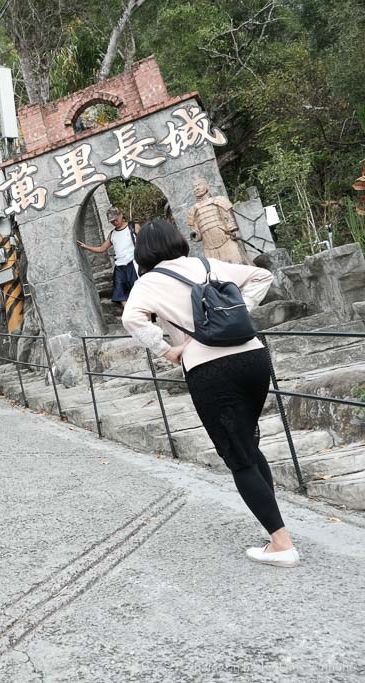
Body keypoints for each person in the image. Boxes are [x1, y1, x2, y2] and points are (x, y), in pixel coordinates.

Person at [122, 219, 299, 568]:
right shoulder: (207, 264)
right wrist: (232, 315)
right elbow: (260, 276)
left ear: (143, 251)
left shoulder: (149, 283)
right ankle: (273, 527)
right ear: (176, 241)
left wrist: (167, 350)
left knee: (238, 455)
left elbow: (132, 319)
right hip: (253, 357)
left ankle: (282, 544)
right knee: (247, 443)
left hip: (209, 368)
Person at [77, 206, 141, 306]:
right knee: (120, 294)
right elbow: (102, 248)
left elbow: (145, 240)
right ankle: (129, 314)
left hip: (134, 263)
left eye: (116, 219)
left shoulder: (133, 226)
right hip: (120, 267)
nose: (114, 222)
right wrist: (86, 247)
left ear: (121, 215)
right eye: (112, 221)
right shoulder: (112, 234)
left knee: (140, 291)